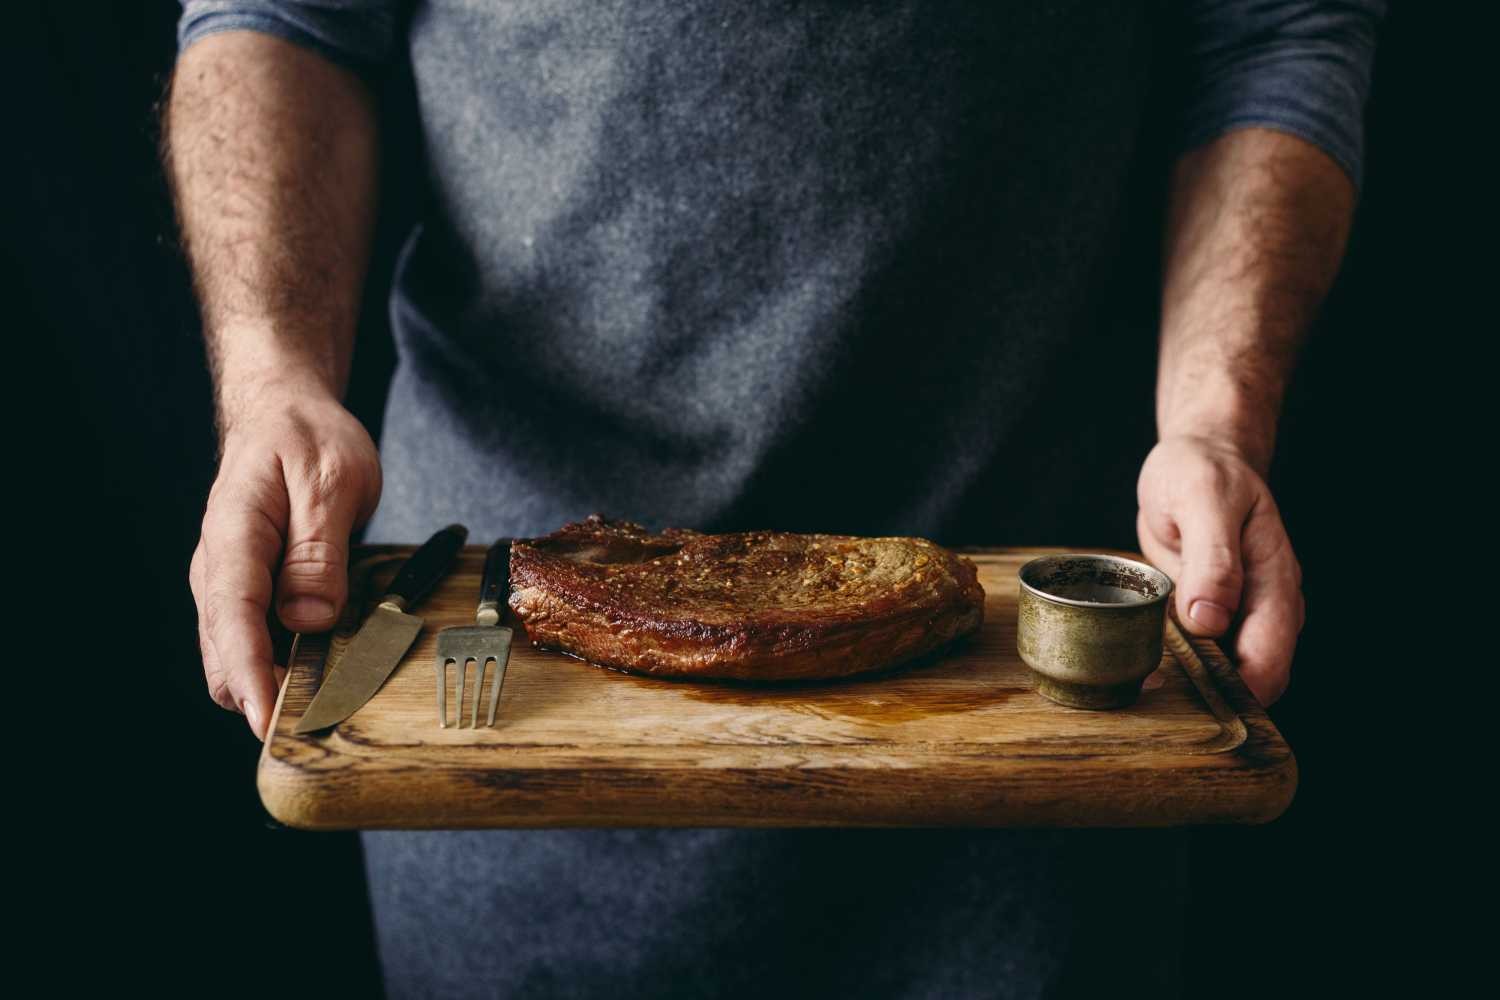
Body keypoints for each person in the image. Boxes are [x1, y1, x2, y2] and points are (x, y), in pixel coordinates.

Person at [169, 2, 1380, 995]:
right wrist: (277, 375)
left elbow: (1271, 31)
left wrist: (1217, 416)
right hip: (501, 700)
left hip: (1026, 724)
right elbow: (283, 18)